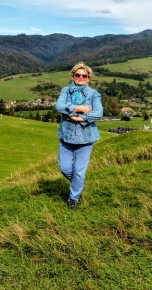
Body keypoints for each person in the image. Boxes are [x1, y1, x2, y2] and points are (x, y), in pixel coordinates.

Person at [55, 62, 103, 208]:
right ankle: (79, 184)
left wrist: (80, 118)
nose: (81, 77)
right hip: (67, 136)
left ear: (88, 78)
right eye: (78, 75)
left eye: (84, 75)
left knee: (79, 171)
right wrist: (80, 108)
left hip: (86, 138)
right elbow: (58, 106)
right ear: (73, 76)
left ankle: (73, 198)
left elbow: (98, 113)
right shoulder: (65, 91)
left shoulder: (94, 94)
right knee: (64, 168)